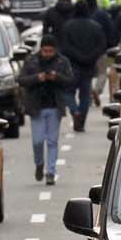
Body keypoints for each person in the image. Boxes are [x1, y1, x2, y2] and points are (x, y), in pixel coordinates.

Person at [19, 32, 71, 183]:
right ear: (40, 49)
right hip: (36, 107)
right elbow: (21, 80)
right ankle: (39, 164)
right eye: (45, 51)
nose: (47, 54)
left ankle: (50, 172)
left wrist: (57, 77)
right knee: (37, 141)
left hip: (55, 106)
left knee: (52, 141)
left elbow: (70, 81)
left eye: (50, 51)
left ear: (55, 50)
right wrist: (37, 78)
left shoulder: (62, 62)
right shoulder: (31, 61)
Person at [59, 0, 106, 133]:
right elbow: (102, 45)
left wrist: (77, 56)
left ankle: (75, 112)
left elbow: (65, 46)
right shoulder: (95, 26)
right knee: (85, 95)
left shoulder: (68, 26)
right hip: (88, 65)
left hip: (72, 65)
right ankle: (81, 119)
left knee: (68, 92)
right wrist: (90, 57)